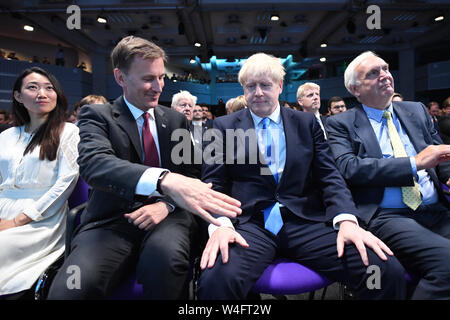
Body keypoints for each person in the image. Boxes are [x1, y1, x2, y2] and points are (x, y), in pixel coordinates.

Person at [197, 53, 406, 300]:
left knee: (383, 269)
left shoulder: (306, 123)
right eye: (251, 86)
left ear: (280, 86)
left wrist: (347, 220)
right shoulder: (222, 127)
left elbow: (329, 176)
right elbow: (214, 184)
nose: (258, 93)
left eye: (265, 85)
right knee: (215, 281)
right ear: (243, 89)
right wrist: (221, 225)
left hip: (304, 221)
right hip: (249, 225)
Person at [47, 36, 241, 300]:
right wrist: (163, 179)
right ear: (120, 77)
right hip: (111, 222)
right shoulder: (98, 116)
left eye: (161, 77)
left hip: (169, 218)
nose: (158, 87)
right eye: (148, 78)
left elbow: (192, 175)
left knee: (166, 263)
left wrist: (167, 204)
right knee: (70, 290)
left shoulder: (174, 121)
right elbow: (95, 164)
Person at [326, 51, 450, 299]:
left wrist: (448, 175)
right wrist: (414, 163)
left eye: (385, 69)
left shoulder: (415, 110)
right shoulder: (342, 123)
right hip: (389, 215)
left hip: (436, 208)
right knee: (447, 264)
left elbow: (439, 157)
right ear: (355, 89)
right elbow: (349, 168)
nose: (384, 76)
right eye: (373, 73)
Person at [0, 67, 79, 297]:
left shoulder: (68, 132)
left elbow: (66, 182)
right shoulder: (6, 136)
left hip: (42, 217)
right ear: (18, 96)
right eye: (32, 87)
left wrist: (17, 221)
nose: (42, 93)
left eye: (48, 88)